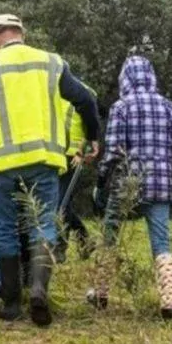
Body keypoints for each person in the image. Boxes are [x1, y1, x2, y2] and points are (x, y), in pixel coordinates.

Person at [0, 14, 100, 326]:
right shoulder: (51, 62)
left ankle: (11, 305)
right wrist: (92, 137)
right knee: (43, 225)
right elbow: (86, 100)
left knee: (5, 229)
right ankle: (38, 289)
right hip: (43, 160)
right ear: (22, 34)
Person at [93, 56, 172, 320]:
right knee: (161, 242)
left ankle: (100, 293)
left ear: (126, 78)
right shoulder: (170, 108)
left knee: (110, 236)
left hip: (127, 184)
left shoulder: (121, 107)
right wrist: (171, 177)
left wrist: (101, 183)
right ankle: (169, 302)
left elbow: (112, 151)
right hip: (160, 185)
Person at [55, 85, 99, 262]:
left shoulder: (86, 95)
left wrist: (84, 150)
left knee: (61, 203)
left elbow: (90, 126)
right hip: (55, 154)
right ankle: (84, 239)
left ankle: (61, 248)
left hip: (74, 156)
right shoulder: (54, 90)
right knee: (59, 203)